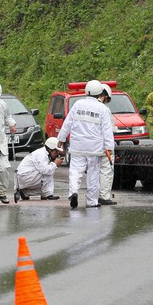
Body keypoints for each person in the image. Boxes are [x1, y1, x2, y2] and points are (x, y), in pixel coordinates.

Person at [57, 80, 114, 209]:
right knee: (93, 174)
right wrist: (109, 148)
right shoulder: (102, 108)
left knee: (75, 172)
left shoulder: (78, 104)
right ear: (100, 93)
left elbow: (67, 123)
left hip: (78, 146)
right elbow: (107, 130)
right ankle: (91, 201)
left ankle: (73, 193)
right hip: (94, 148)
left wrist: (60, 138)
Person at [14, 137, 63, 201]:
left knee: (49, 171)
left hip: (24, 177)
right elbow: (46, 170)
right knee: (48, 171)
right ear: (50, 149)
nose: (57, 153)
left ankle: (25, 193)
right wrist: (55, 164)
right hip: (24, 176)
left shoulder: (44, 153)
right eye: (56, 151)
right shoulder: (41, 154)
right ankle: (48, 194)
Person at [98, 84, 117, 205]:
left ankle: (92, 197)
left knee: (93, 172)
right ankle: (104, 197)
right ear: (105, 96)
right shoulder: (104, 109)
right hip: (105, 146)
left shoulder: (85, 106)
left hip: (90, 146)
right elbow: (109, 129)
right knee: (106, 171)